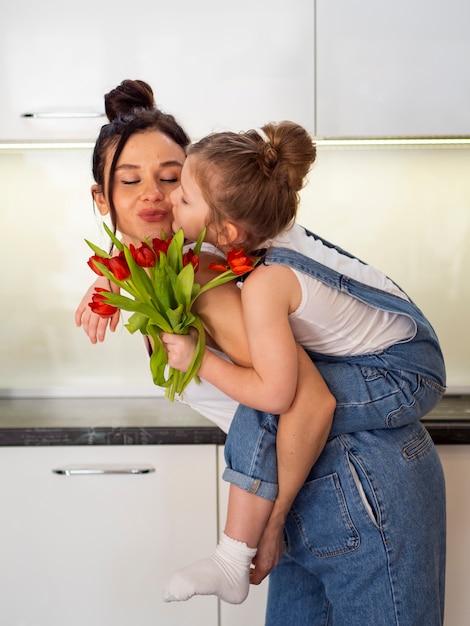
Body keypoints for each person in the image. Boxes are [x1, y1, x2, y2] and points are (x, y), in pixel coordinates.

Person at [160, 121, 447, 625]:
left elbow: (273, 393)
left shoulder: (269, 281)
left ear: (227, 232)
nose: (168, 205)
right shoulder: (261, 235)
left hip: (402, 373)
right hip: (389, 362)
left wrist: (197, 358)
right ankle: (233, 550)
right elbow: (191, 250)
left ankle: (233, 553)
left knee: (275, 396)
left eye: (181, 196)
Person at [75, 80, 336, 605]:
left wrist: (269, 519)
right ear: (102, 199)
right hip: (304, 483)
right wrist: (117, 274)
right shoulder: (164, 272)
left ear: (197, 186)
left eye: (172, 178)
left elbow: (310, 399)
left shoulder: (207, 277)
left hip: (337, 481)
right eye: (131, 180)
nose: (154, 193)